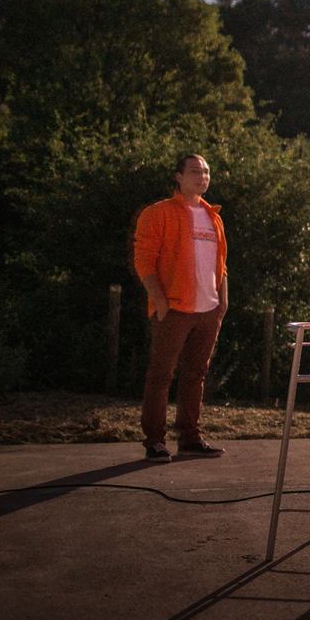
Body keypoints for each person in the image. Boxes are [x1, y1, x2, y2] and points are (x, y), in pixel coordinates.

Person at [132, 153, 228, 462]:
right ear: (178, 176)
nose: (202, 177)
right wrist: (159, 300)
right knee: (161, 375)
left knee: (196, 374)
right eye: (195, 171)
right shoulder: (158, 213)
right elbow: (144, 260)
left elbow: (222, 264)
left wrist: (222, 301)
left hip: (208, 310)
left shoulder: (213, 216)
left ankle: (190, 438)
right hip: (173, 308)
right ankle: (155, 441)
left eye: (206, 172)